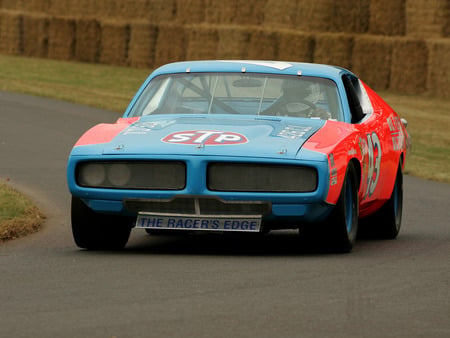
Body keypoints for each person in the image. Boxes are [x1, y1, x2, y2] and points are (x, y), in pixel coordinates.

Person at [263, 79, 331, 119]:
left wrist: (325, 118)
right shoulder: (276, 108)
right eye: (291, 92)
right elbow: (262, 117)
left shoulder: (318, 113)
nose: (294, 97)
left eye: (300, 92)